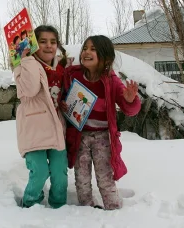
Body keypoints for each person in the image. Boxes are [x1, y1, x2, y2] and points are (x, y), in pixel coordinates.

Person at [62, 35, 141, 210]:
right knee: (81, 176)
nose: (86, 52)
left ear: (105, 58)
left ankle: (113, 208)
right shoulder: (74, 75)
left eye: (93, 49)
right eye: (85, 48)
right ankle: (87, 209)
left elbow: (130, 110)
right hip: (79, 135)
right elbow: (63, 94)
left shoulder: (111, 81)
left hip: (103, 137)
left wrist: (129, 99)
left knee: (105, 176)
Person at [13, 25, 68, 209]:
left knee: (60, 172)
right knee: (40, 171)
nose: (48, 46)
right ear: (34, 44)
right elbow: (30, 89)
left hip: (55, 126)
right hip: (34, 128)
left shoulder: (60, 67)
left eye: (53, 42)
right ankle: (31, 202)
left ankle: (59, 206)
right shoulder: (23, 65)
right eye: (43, 41)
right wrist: (27, 60)